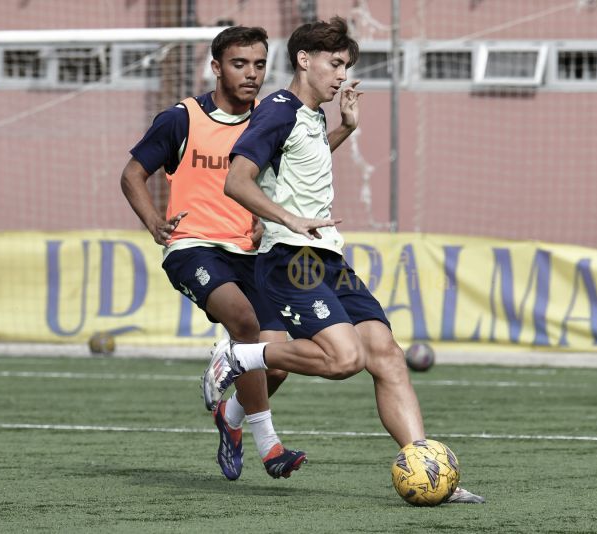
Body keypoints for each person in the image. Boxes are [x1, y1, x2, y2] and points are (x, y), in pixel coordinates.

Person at [204, 16, 484, 503]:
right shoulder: (276, 109)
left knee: (387, 357)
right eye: (335, 64)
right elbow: (238, 181)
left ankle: (429, 469)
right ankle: (238, 356)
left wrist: (346, 130)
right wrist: (289, 219)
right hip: (291, 258)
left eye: (346, 66)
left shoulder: (310, 115)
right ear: (303, 60)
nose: (341, 75)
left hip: (327, 257)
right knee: (344, 359)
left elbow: (298, 164)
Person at [120, 25, 310, 481]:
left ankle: (231, 417)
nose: (251, 74)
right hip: (193, 248)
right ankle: (271, 448)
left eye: (260, 64)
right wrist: (153, 222)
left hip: (250, 253)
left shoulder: (267, 120)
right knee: (242, 321)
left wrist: (343, 127)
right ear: (216, 67)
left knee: (278, 361)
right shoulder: (181, 119)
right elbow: (132, 174)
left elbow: (300, 169)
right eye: (240, 63)